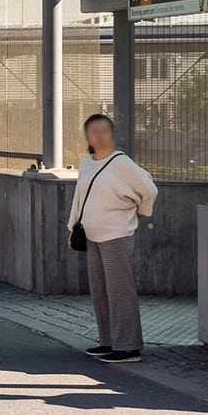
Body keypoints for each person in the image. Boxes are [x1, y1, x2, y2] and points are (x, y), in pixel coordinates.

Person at [69, 113, 157, 364]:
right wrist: (72, 226)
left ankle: (128, 347)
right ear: (87, 136)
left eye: (104, 130)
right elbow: (79, 197)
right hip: (92, 233)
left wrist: (141, 212)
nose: (99, 135)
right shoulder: (87, 163)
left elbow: (149, 190)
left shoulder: (121, 162)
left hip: (116, 233)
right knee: (100, 291)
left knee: (120, 290)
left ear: (112, 134)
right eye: (94, 130)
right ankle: (108, 341)